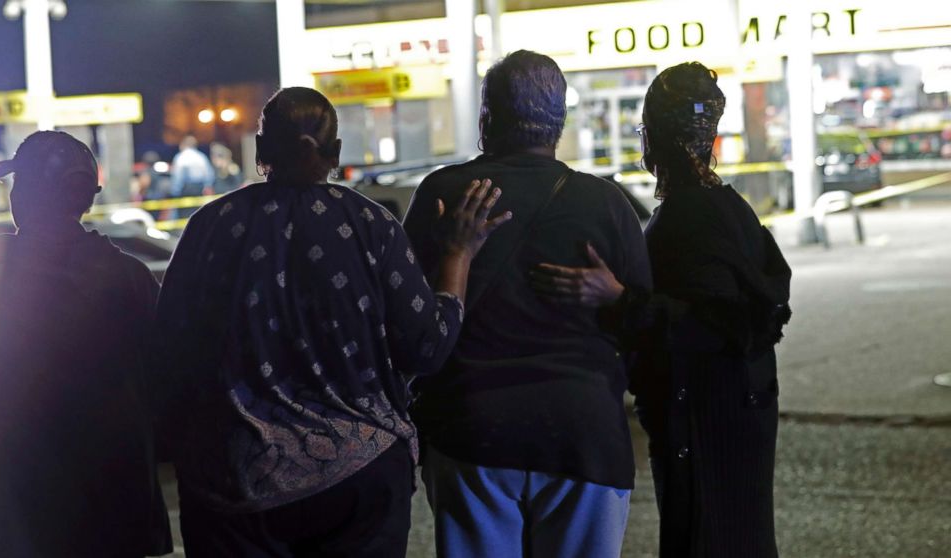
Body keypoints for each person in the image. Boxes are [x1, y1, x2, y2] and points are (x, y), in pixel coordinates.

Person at [154, 87, 510, 557]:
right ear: (336, 153)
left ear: (260, 151)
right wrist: (458, 257)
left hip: (234, 486)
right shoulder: (372, 226)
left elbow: (168, 354)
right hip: (360, 481)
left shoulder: (211, 227)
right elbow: (427, 347)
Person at [531, 62, 792, 558]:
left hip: (704, 418)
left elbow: (717, 323)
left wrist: (618, 299)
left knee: (706, 536)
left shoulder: (689, 215)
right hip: (737, 411)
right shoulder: (728, 206)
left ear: (656, 136)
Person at [402, 50, 651, 558]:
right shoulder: (605, 202)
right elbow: (642, 325)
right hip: (583, 434)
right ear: (559, 122)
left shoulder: (445, 193)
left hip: (471, 434)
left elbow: (406, 317)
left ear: (486, 118)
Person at [0, 131, 172, 558]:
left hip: (13, 507)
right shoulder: (131, 279)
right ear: (86, 199)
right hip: (112, 501)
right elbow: (167, 387)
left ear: (30, 195)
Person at [170, 135, 215, 217]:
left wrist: (175, 192)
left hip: (185, 190)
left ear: (183, 144)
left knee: (184, 216)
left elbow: (178, 176)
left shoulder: (181, 157)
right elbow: (209, 174)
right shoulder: (201, 157)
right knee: (197, 214)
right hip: (199, 189)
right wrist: (207, 186)